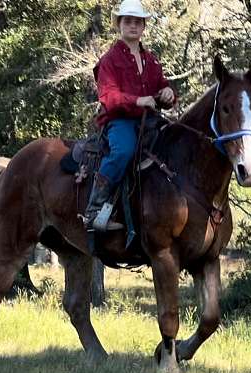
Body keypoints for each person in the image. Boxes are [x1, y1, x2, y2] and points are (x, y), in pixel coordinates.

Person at [85, 0, 175, 231]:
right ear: (119, 25)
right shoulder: (109, 60)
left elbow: (163, 88)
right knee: (124, 150)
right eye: (128, 21)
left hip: (150, 120)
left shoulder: (152, 61)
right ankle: (94, 210)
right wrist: (137, 100)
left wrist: (168, 93)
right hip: (120, 120)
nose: (133, 26)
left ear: (143, 26)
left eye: (137, 22)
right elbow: (108, 96)